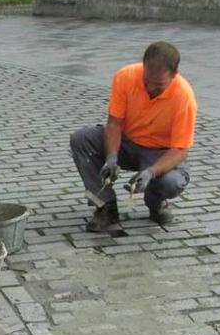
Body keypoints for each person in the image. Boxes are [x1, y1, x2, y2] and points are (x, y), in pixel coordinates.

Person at [70, 41, 197, 232]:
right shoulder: (125, 77)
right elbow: (114, 123)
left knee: (171, 182)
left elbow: (180, 150)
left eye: (159, 85)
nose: (150, 88)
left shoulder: (184, 96)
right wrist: (111, 157)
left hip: (159, 153)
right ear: (143, 66)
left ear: (174, 74)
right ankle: (105, 207)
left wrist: (150, 172)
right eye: (147, 81)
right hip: (127, 144)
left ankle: (156, 202)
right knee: (81, 139)